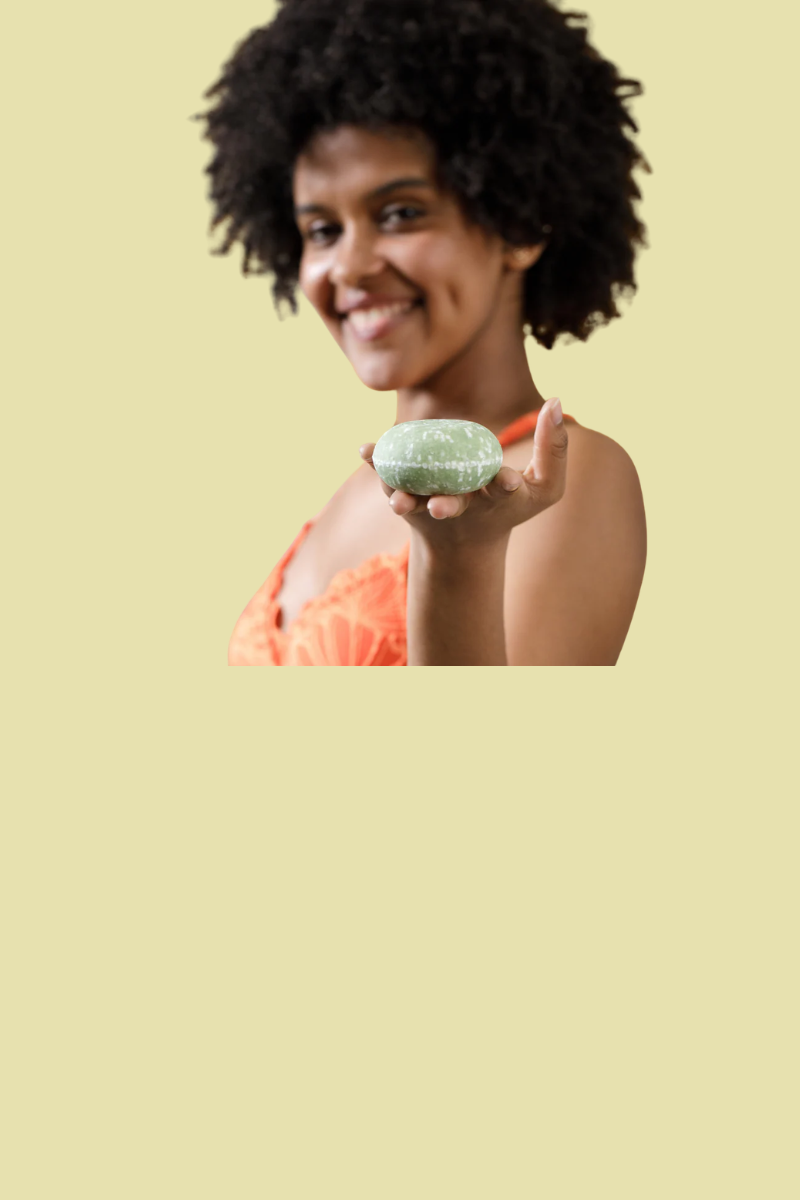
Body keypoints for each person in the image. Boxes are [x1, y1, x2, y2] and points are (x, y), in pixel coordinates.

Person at [194, 0, 651, 666]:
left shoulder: (567, 480)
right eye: (322, 229)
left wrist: (460, 561)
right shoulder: (355, 489)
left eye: (402, 212)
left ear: (520, 223)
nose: (348, 266)